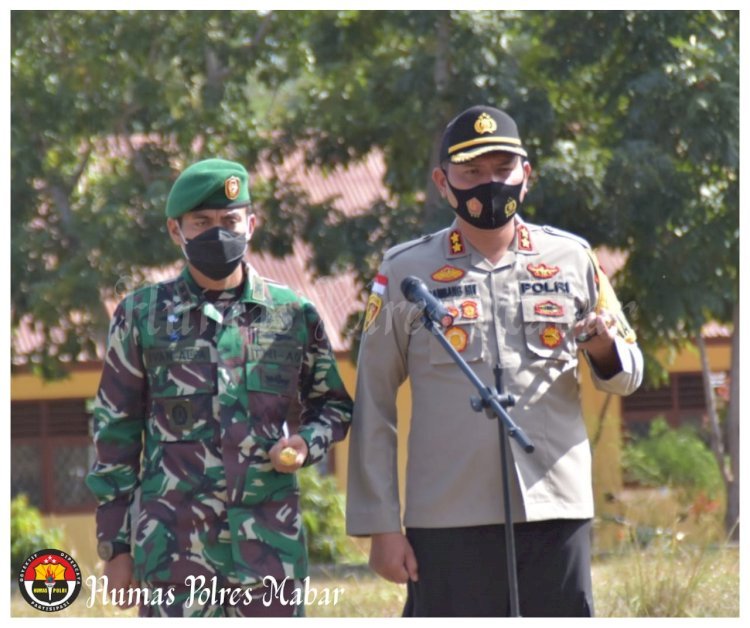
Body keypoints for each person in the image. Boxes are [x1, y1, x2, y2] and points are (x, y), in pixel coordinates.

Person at [346, 105, 643, 617]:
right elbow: (373, 402)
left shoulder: (573, 259)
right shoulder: (405, 270)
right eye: (472, 173)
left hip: (554, 506)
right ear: (444, 182)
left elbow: (629, 372)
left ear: (525, 176)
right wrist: (381, 526)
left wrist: (601, 348)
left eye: (503, 169)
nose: (491, 184)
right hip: (447, 515)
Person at [86, 158, 353, 617]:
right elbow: (115, 433)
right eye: (201, 222)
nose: (218, 232)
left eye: (229, 220)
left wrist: (305, 444)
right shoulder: (141, 316)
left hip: (269, 552)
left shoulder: (293, 315)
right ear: (176, 231)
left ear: (251, 224)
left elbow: (333, 406)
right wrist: (116, 546)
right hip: (174, 556)